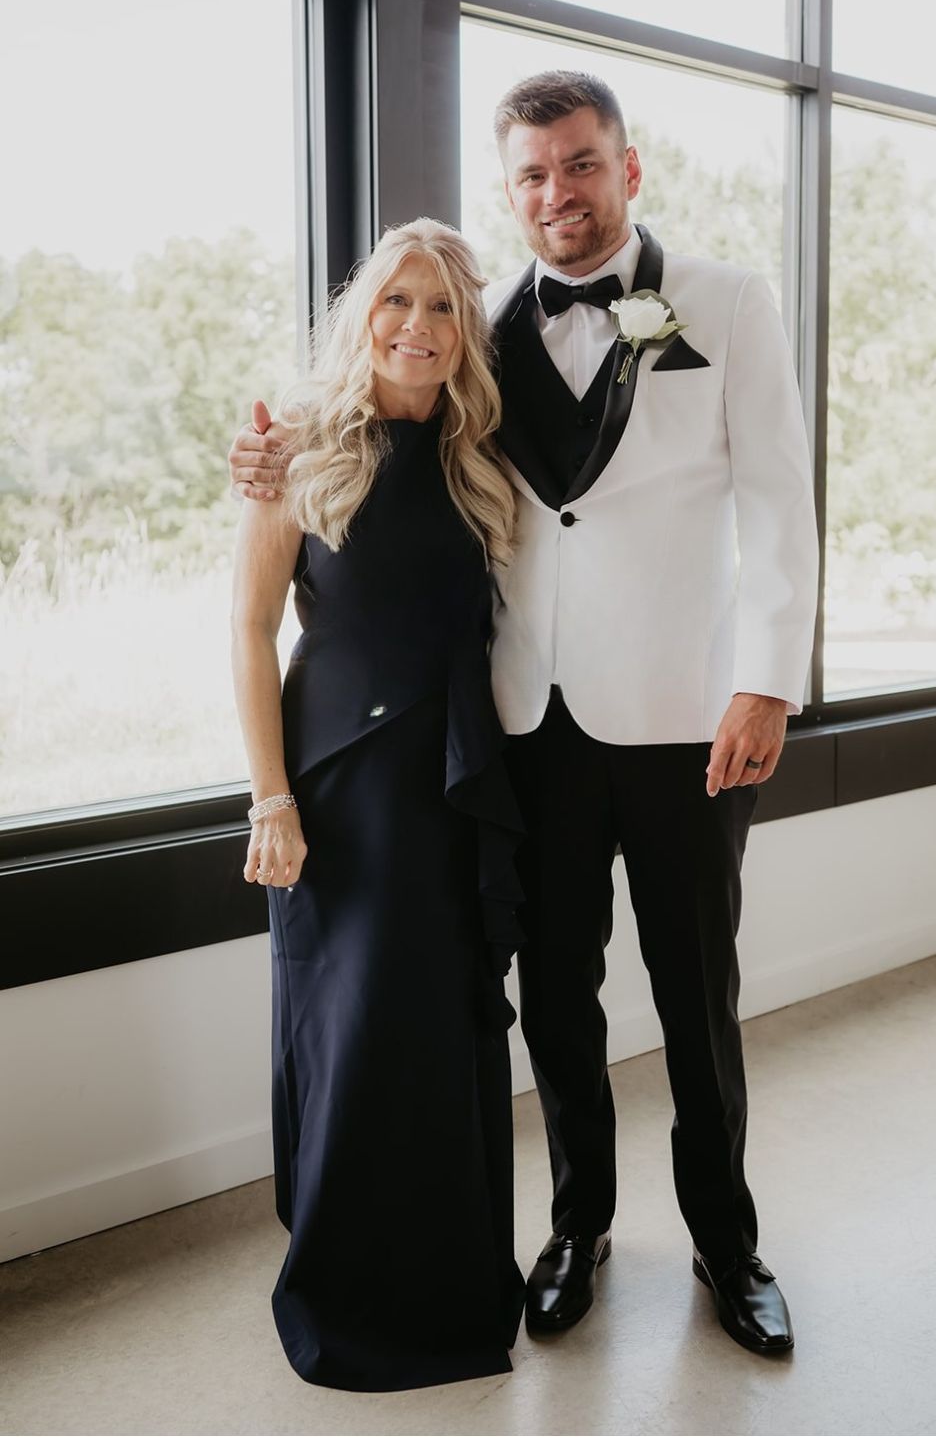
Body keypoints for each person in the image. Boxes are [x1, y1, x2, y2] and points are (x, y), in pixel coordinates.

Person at [230, 71, 820, 1359]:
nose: (558, 193)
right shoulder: (479, 320)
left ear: (627, 167)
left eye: (580, 164)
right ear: (511, 192)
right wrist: (263, 459)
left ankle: (729, 1244)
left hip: (686, 720)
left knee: (695, 995)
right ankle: (576, 1228)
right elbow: (367, 428)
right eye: (532, 176)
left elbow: (778, 497)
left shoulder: (723, 300)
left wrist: (766, 678)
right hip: (524, 726)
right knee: (555, 996)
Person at [230, 218, 527, 1392]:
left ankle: (454, 1282)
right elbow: (249, 631)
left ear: (467, 333)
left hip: (452, 782)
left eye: (444, 307)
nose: (417, 325)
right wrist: (268, 799)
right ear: (364, 317)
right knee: (349, 1035)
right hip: (335, 789)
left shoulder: (481, 458)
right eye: (396, 302)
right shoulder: (299, 446)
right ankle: (348, 1291)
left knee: (442, 1034)